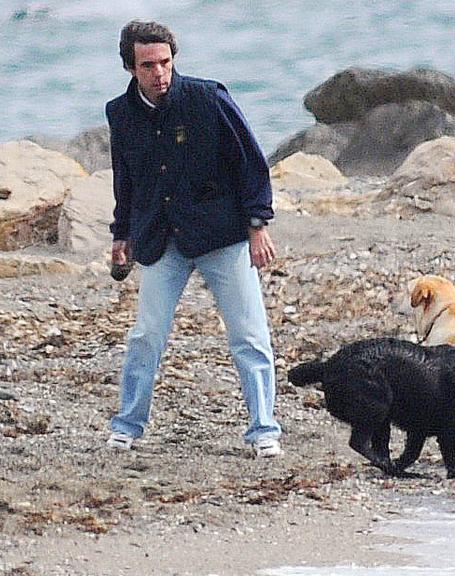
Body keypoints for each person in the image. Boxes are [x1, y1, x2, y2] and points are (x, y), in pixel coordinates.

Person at [104, 20, 282, 457]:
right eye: (149, 65)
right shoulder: (120, 113)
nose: (160, 72)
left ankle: (264, 431)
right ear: (131, 67)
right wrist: (121, 232)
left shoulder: (208, 97)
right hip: (161, 239)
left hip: (222, 235)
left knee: (249, 335)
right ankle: (127, 425)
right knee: (146, 335)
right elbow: (125, 176)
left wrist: (258, 224)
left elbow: (250, 160)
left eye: (165, 62)